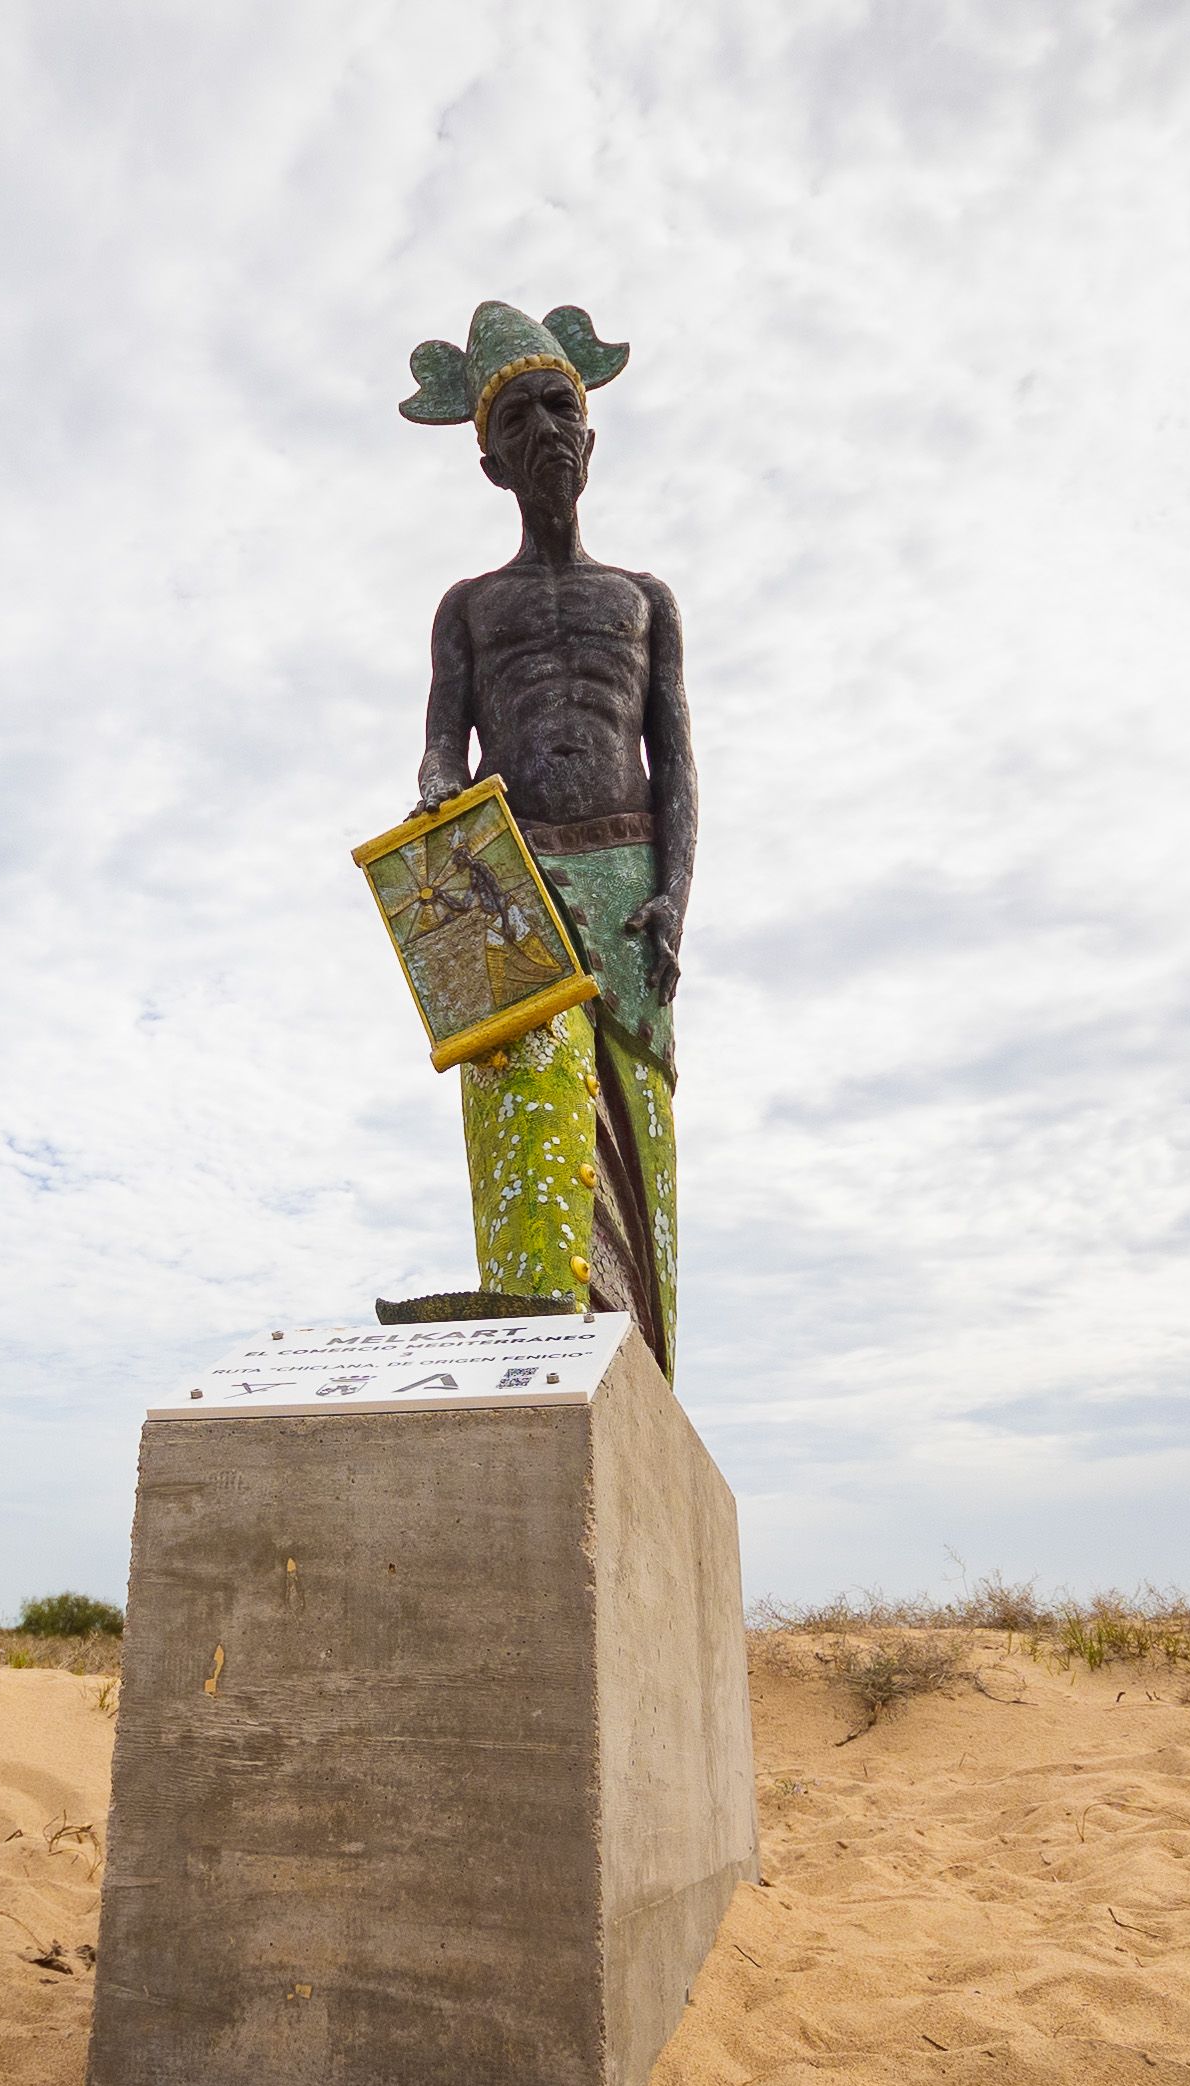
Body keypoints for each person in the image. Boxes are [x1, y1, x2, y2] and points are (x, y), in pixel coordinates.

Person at [396, 302, 697, 1374]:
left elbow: (676, 764)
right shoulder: (469, 606)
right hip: (514, 879)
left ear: (592, 434)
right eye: (517, 418)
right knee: (528, 1107)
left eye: (559, 406)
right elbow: (442, 743)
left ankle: (639, 1367)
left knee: (637, 1119)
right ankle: (537, 1342)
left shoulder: (644, 599)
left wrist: (674, 896)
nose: (545, 432)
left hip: (626, 880)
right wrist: (437, 794)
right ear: (492, 465)